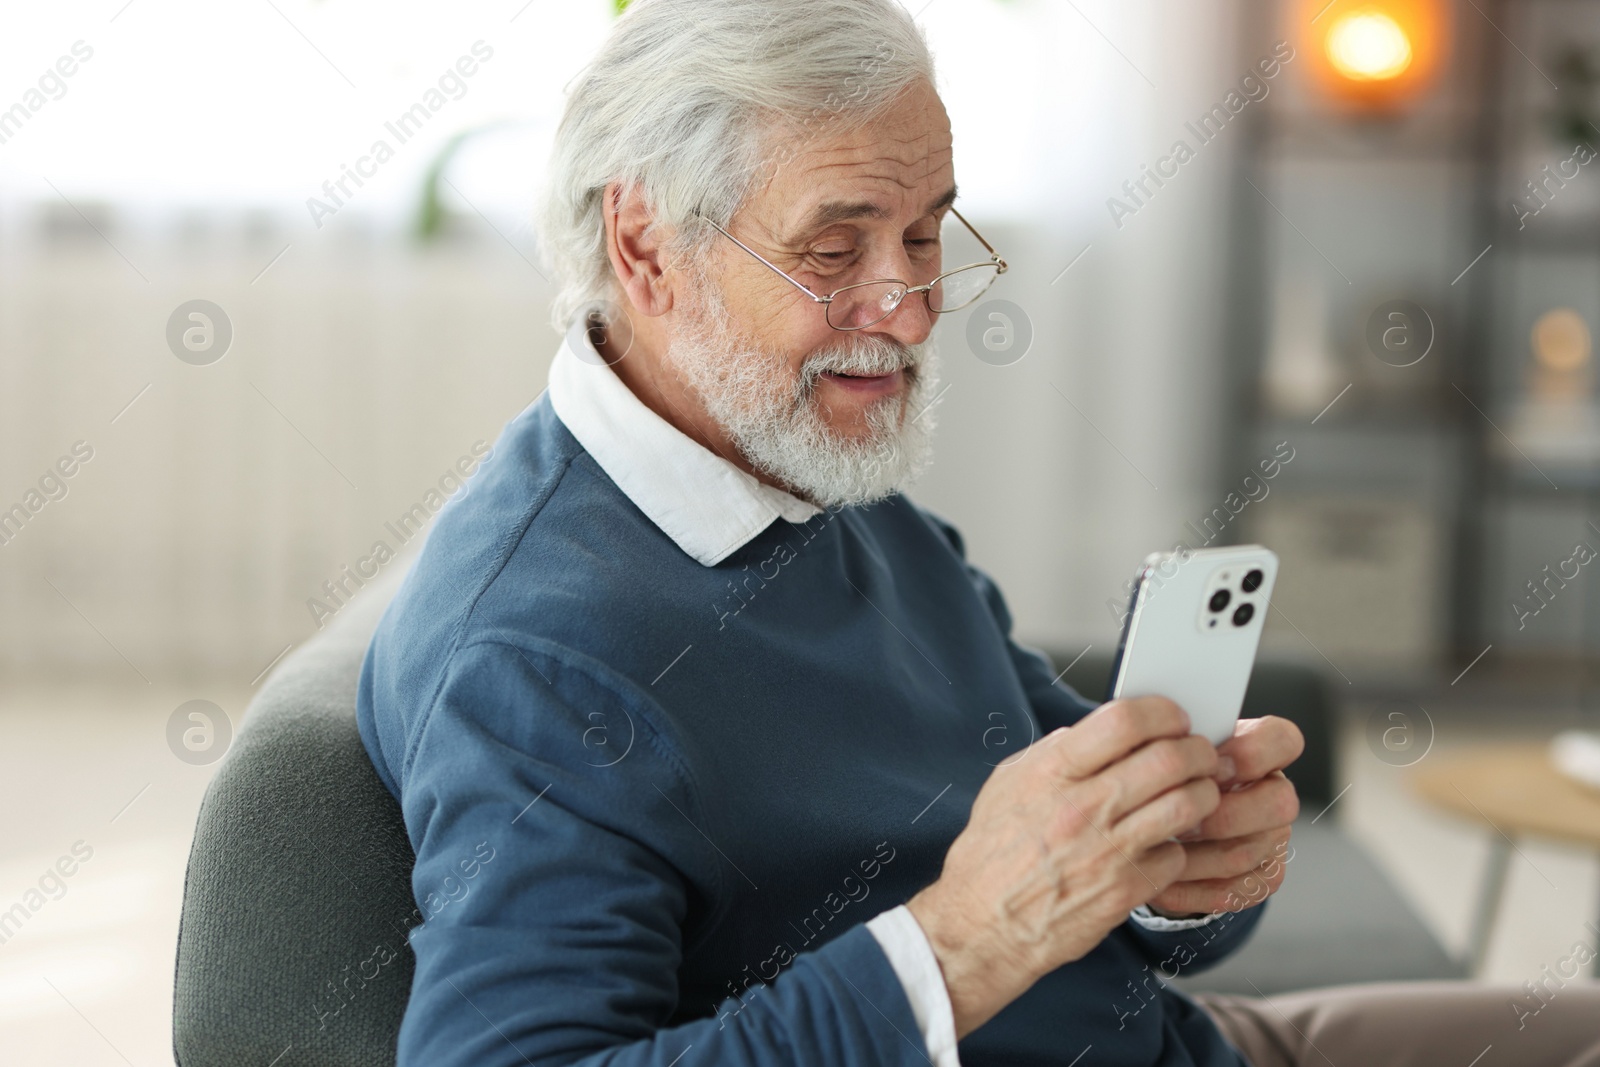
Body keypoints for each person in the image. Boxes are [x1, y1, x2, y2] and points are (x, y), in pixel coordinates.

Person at [355, 1, 1600, 1063]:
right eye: (832, 249)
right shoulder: (538, 654)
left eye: (924, 234)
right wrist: (967, 942)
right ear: (645, 245)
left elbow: (1086, 855)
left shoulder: (818, 476)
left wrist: (1177, 869)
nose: (902, 309)